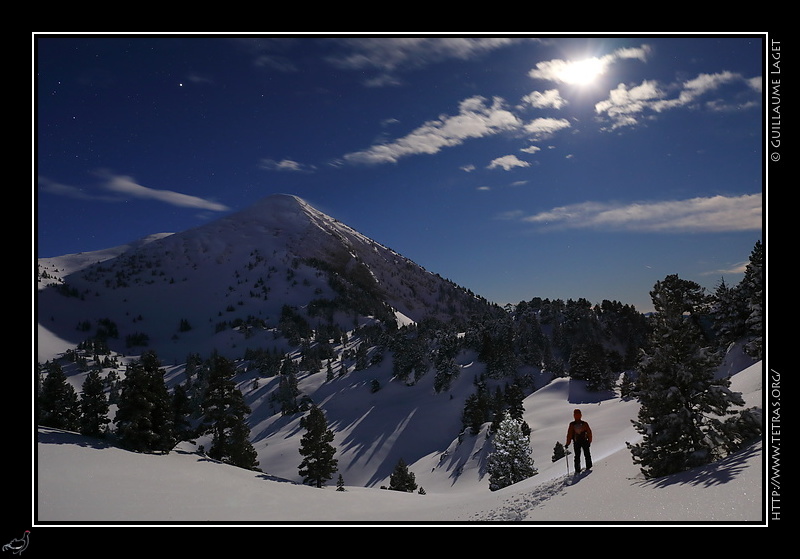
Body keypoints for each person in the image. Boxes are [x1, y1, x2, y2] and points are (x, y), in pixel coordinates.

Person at [565, 408, 593, 474]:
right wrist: (589, 441)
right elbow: (589, 432)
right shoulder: (584, 423)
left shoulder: (572, 424)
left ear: (574, 415)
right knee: (587, 454)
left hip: (576, 442)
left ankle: (577, 470)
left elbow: (569, 434)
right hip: (585, 441)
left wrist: (567, 444)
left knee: (577, 456)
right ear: (581, 415)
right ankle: (589, 467)